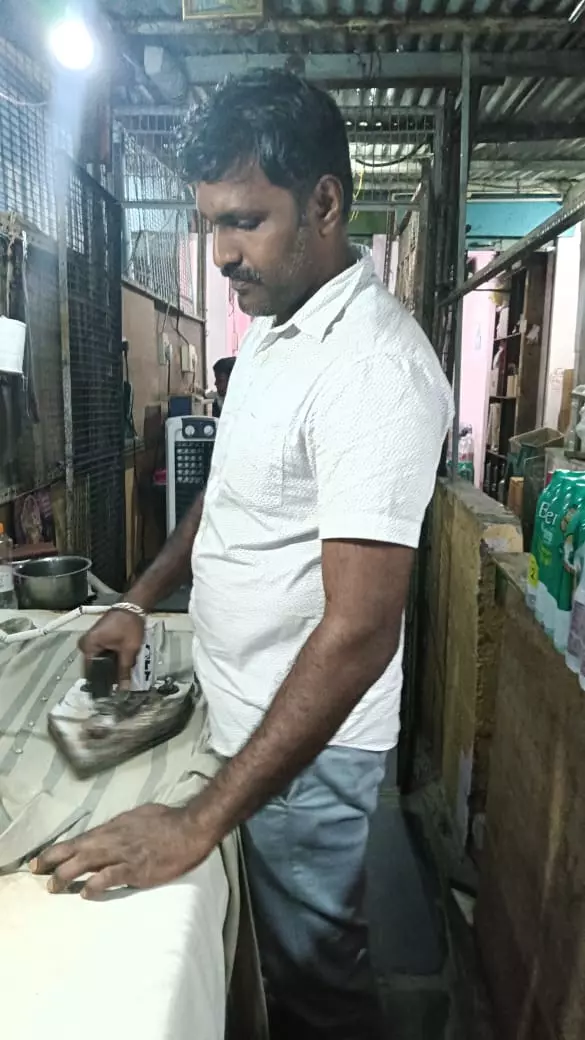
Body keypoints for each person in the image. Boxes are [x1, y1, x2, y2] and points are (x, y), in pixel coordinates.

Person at [32, 70, 453, 1039]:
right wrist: (138, 600)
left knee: (317, 988)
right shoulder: (271, 328)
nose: (222, 255)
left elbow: (359, 631)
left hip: (308, 755)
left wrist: (197, 818)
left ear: (325, 202)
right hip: (237, 711)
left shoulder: (372, 369)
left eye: (245, 221)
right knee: (259, 967)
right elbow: (226, 498)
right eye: (209, 225)